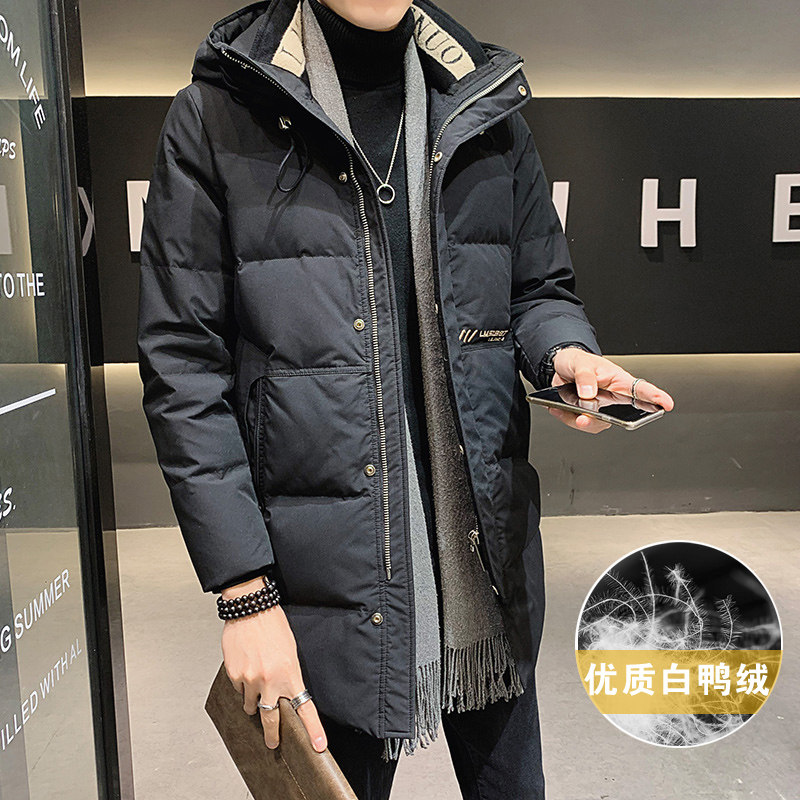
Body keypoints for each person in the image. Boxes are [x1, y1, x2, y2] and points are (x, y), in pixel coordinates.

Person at [136, 0, 675, 798]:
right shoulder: (220, 114)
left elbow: (537, 289)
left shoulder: (486, 103)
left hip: (483, 562)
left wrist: (565, 352)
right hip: (326, 580)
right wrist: (246, 598)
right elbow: (184, 368)